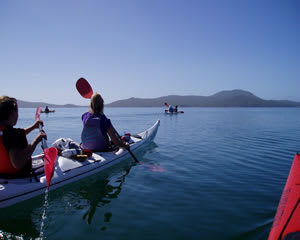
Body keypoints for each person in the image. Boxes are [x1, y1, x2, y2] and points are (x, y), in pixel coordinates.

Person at [0, 96, 47, 177]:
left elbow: (12, 137)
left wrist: (33, 127)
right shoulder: (12, 134)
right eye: (17, 111)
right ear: (12, 113)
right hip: (17, 177)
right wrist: (35, 141)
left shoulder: (6, 132)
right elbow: (18, 164)